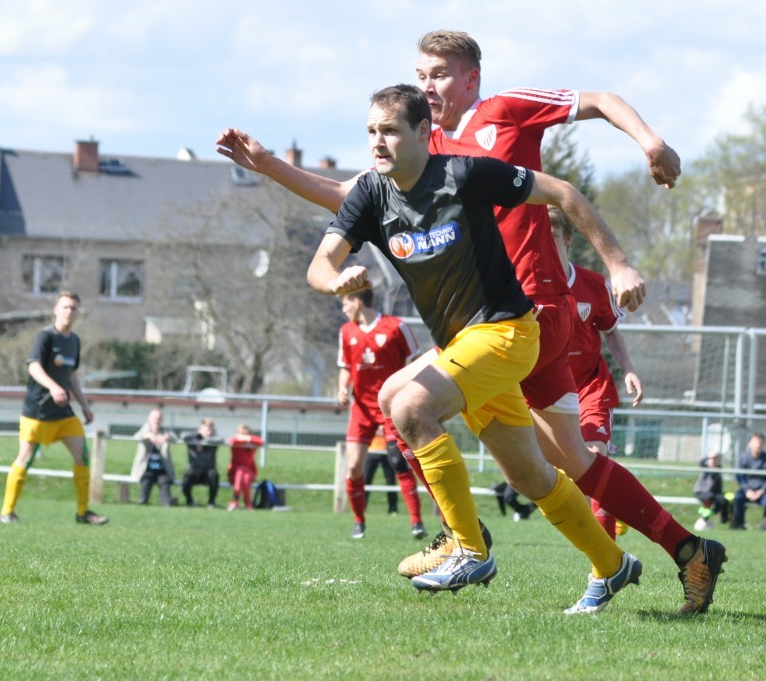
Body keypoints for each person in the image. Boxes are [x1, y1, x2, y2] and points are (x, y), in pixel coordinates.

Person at [215, 29, 724, 616]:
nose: (428, 84)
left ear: (471, 79)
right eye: (421, 74)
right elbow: (349, 197)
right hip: (476, 330)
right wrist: (269, 165)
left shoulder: (500, 115)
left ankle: (464, 540)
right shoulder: (417, 146)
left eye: (440, 73)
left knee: (406, 403)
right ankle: (674, 552)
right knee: (556, 466)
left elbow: (600, 103)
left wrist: (649, 145)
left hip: (529, 312)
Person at [303, 84, 640, 612]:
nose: (378, 142)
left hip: (508, 333)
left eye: (389, 130)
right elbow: (319, 263)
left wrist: (618, 262)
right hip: (465, 346)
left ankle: (468, 547)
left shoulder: (462, 174)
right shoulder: (371, 193)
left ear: (422, 132)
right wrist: (336, 280)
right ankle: (612, 564)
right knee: (528, 475)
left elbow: (564, 194)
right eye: (370, 131)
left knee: (408, 402)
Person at [551, 206, 644, 538]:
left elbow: (612, 331)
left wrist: (629, 369)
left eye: (554, 237)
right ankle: (617, 502)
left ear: (569, 239)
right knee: (561, 473)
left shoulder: (592, 285)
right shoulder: (527, 285)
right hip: (548, 391)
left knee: (593, 458)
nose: (547, 245)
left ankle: (607, 563)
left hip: (591, 386)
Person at [0, 291, 108, 525]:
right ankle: (7, 512)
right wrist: (53, 387)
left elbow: (71, 376)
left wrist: (85, 405)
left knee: (82, 456)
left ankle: (83, 513)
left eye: (73, 308)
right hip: (37, 411)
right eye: (65, 307)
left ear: (78, 313)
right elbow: (34, 367)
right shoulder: (45, 337)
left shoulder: (74, 341)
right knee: (25, 458)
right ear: (56, 310)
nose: (69, 311)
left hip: (63, 414)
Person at [335, 288, 421, 539]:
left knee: (398, 461)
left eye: (345, 304)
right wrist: (343, 387)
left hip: (390, 407)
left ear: (357, 301)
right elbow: (345, 367)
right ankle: (359, 521)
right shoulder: (346, 332)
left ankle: (416, 522)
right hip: (361, 408)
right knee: (352, 466)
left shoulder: (396, 326)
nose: (343, 309)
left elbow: (415, 360)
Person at [365, 434, 426, 536]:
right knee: (363, 478)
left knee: (394, 475)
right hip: (371, 450)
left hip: (389, 444)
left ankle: (414, 520)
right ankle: (359, 519)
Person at [130, 408, 178, 506]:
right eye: (154, 418)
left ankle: (167, 502)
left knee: (165, 482)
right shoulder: (145, 430)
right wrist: (147, 436)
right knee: (146, 480)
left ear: (162, 420)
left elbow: (175, 438)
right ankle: (143, 501)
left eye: (159, 418)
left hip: (162, 468)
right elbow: (136, 436)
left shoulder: (165, 431)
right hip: (146, 468)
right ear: (149, 419)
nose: (156, 420)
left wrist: (166, 437)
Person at [730, 433, 766, 530]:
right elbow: (739, 476)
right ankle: (739, 525)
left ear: (763, 444)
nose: (758, 445)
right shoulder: (743, 458)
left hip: (762, 491)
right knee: (737, 500)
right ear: (749, 444)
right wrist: (747, 490)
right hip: (746, 490)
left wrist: (762, 490)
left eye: (760, 443)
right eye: (755, 442)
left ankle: (765, 526)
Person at [180, 418, 223, 508]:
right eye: (207, 430)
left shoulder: (213, 440)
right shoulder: (193, 439)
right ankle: (190, 500)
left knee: (214, 475)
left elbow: (221, 440)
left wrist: (205, 440)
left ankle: (211, 501)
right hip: (194, 471)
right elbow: (182, 435)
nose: (209, 432)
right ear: (200, 429)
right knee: (186, 479)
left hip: (208, 472)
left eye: (211, 430)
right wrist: (198, 435)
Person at [226, 424, 264, 510]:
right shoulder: (236, 441)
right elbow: (232, 440)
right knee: (240, 472)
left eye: (246, 434)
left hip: (249, 471)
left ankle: (235, 500)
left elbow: (261, 441)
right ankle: (248, 503)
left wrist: (246, 439)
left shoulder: (252, 442)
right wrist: (244, 440)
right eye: (242, 434)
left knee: (243, 475)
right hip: (234, 471)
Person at [693, 451, 728, 530]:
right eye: (712, 459)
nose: (714, 460)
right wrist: (708, 456)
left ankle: (722, 519)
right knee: (709, 499)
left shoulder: (718, 469)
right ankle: (704, 519)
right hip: (701, 492)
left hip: (713, 494)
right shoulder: (705, 467)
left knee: (724, 501)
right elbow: (701, 462)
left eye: (715, 459)